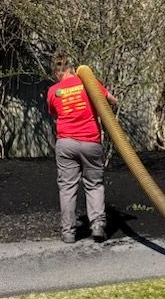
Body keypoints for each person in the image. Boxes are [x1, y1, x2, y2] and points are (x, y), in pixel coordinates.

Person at [47, 55, 118, 243]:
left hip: (66, 143)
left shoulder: (53, 91)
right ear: (72, 68)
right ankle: (97, 225)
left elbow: (54, 114)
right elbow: (112, 100)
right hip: (90, 142)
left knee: (67, 187)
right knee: (94, 184)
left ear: (56, 72)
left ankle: (68, 232)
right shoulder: (88, 82)